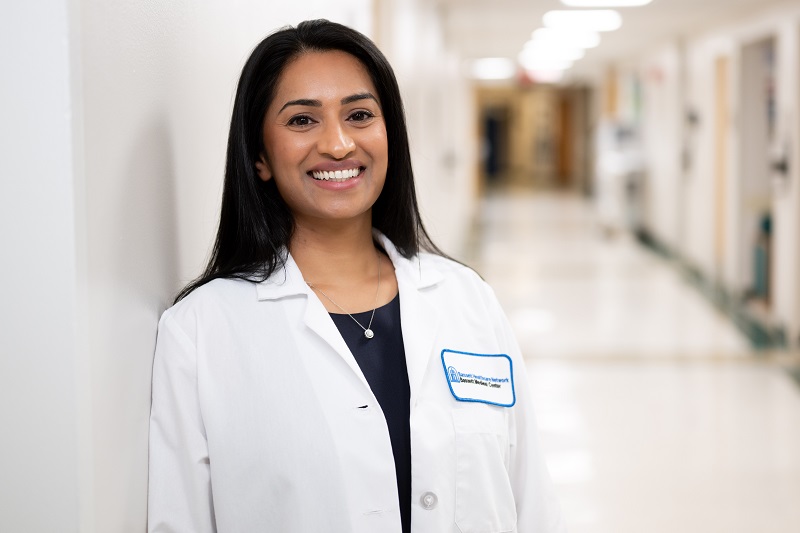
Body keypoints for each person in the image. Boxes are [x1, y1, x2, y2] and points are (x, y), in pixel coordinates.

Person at [148, 19, 563, 533]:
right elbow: (179, 519)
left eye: (360, 114)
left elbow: (531, 499)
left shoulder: (467, 299)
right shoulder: (200, 331)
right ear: (259, 157)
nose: (339, 144)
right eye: (302, 121)